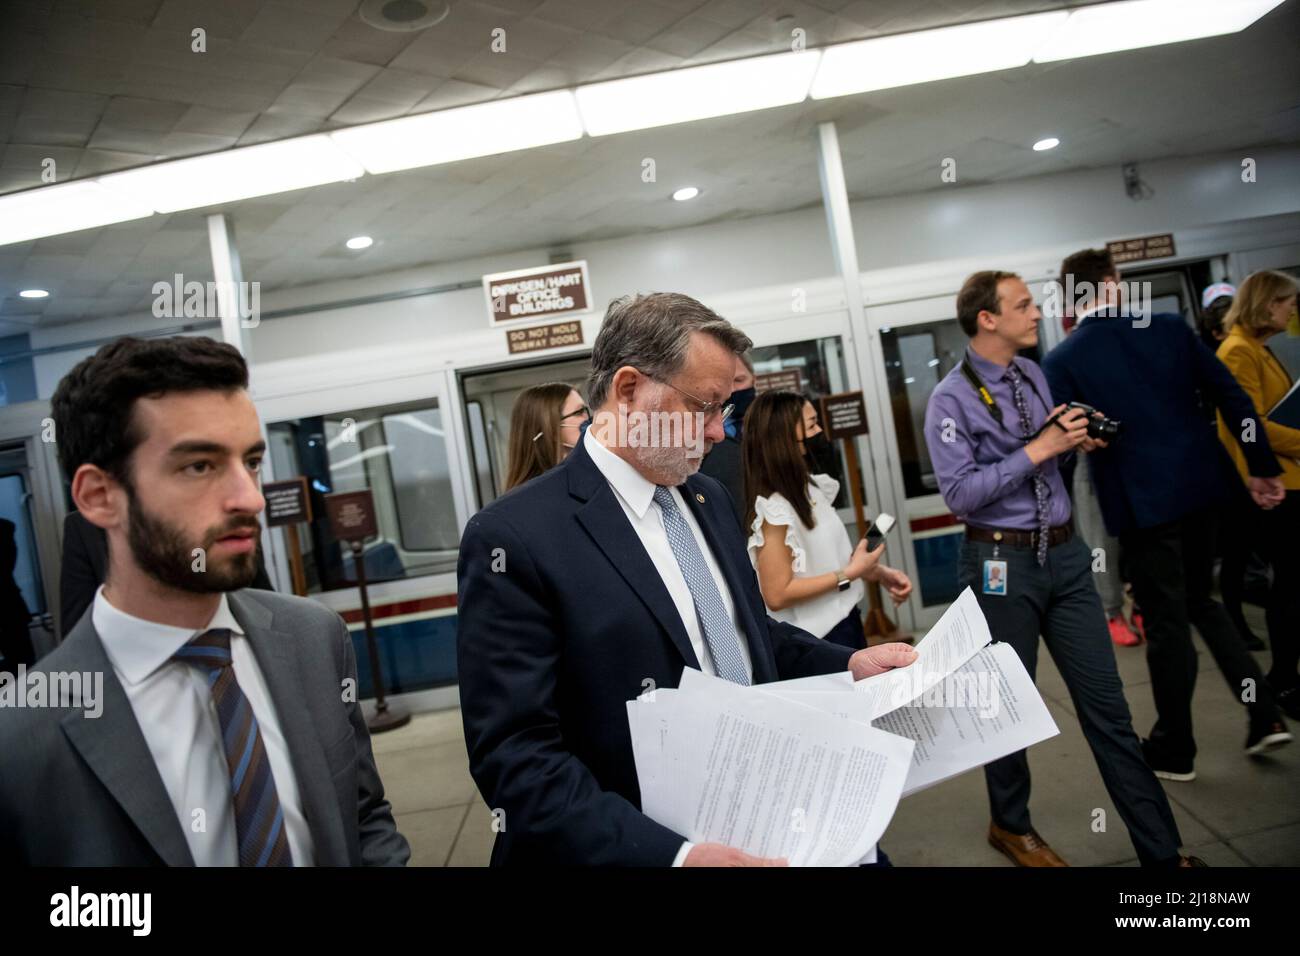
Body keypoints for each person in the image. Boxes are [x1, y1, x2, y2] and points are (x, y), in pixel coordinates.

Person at [457, 292, 918, 866]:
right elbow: (516, 757)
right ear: (628, 391)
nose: (720, 432)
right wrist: (674, 858)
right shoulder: (515, 536)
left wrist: (847, 664)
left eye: (724, 409)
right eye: (704, 406)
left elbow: (749, 633)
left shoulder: (708, 497)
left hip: (767, 811)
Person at [0, 336, 409, 866]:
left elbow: (364, 817)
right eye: (200, 466)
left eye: (252, 461)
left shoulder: (314, 638)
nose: (250, 498)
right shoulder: (24, 738)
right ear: (99, 496)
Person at [924, 269, 1199, 868]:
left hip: (1068, 558)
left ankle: (1164, 855)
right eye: (1022, 305)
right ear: (987, 319)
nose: (1037, 313)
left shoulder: (1033, 374)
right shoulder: (950, 397)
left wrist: (1073, 441)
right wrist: (1040, 449)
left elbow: (1046, 461)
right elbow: (961, 496)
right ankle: (1010, 824)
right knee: (1007, 708)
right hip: (999, 561)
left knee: (1110, 711)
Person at [1043, 248, 1291, 782]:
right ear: (1114, 282)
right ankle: (1264, 711)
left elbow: (1061, 449)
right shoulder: (1169, 328)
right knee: (1202, 599)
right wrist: (1262, 468)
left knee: (1167, 623)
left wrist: (1055, 523)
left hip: (1144, 506)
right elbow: (1231, 398)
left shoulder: (1063, 361)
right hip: (1206, 491)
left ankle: (1176, 748)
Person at [742, 389, 911, 649]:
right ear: (786, 439)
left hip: (847, 622)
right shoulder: (775, 510)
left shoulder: (812, 488)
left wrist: (875, 571)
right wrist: (850, 573)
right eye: (811, 425)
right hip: (817, 642)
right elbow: (777, 594)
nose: (820, 431)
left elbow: (826, 562)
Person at [1215, 270, 1300, 720]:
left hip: (1287, 479)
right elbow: (1250, 424)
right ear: (1267, 304)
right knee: (1287, 585)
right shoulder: (1237, 351)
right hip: (1272, 485)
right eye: (1287, 302)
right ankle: (1283, 681)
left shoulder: (1258, 349)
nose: (1292, 309)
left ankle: (1286, 676)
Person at [60, 507, 275, 638]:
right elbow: (78, 624)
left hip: (228, 644)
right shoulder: (84, 528)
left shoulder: (228, 512)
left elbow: (261, 595)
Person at [699, 351, 755, 528]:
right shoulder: (703, 431)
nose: (734, 390)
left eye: (739, 380)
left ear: (754, 379)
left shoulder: (771, 425)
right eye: (727, 384)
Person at [503, 382, 589, 491]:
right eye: (579, 412)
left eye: (586, 410)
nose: (589, 419)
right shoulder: (535, 495)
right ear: (551, 429)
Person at [0, 519, 34, 676]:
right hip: (9, 610)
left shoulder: (4, 529)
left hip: (7, 611)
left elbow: (5, 568)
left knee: (22, 668)